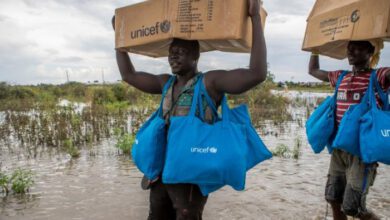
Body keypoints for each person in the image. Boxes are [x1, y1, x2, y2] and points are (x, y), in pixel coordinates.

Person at [113, 0, 267, 219]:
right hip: (161, 173)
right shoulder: (165, 83)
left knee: (187, 214)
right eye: (171, 52)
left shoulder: (209, 83)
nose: (173, 56)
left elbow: (256, 74)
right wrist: (119, 39)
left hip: (191, 174)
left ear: (195, 56)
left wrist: (255, 18)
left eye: (180, 52)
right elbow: (129, 76)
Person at [308, 40, 390, 220]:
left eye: (358, 47)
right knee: (333, 198)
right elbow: (313, 71)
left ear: (370, 52)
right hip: (340, 148)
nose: (351, 51)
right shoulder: (341, 76)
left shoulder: (379, 76)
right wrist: (314, 47)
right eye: (349, 47)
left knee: (353, 208)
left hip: (362, 152)